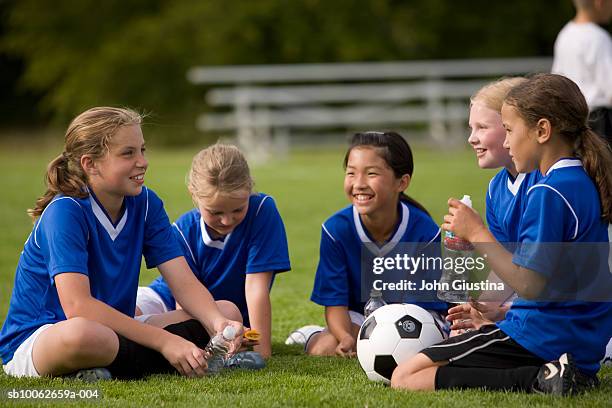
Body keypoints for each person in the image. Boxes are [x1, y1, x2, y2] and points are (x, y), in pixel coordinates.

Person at [391, 74, 612, 395]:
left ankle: (539, 380)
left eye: (508, 130)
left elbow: (530, 284)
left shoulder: (548, 192)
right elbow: (561, 281)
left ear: (542, 131)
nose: (507, 142)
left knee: (406, 376)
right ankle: (555, 372)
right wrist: (497, 310)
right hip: (574, 336)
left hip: (543, 336)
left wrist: (477, 232)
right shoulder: (579, 179)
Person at [0, 107, 243, 380]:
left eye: (143, 150)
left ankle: (108, 367)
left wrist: (218, 324)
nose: (142, 161)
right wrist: (164, 341)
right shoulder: (65, 211)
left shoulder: (146, 203)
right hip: (46, 336)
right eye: (128, 153)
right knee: (85, 335)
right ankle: (162, 358)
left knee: (225, 310)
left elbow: (183, 282)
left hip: (115, 330)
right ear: (89, 163)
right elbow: (78, 307)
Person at [287, 131, 447, 357]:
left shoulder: (424, 231)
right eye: (351, 173)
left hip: (414, 315)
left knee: (414, 349)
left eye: (371, 173)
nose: (359, 184)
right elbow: (336, 304)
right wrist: (344, 337)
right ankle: (312, 334)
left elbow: (417, 309)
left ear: (402, 182)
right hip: (360, 316)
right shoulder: (335, 230)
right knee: (324, 348)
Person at [136, 144, 290, 359]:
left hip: (224, 316)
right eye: (215, 212)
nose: (227, 220)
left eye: (237, 209)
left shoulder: (262, 211)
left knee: (225, 315)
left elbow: (256, 288)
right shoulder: (183, 230)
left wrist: (261, 352)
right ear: (194, 195)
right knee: (121, 315)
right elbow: (184, 301)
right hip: (166, 301)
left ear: (249, 188)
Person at [448, 77, 540, 335]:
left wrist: (476, 232)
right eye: (470, 128)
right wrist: (480, 310)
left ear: (513, 127)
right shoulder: (496, 188)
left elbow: (543, 279)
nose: (471, 139)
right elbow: (505, 266)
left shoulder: (545, 182)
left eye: (482, 128)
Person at [552, 0, 612, 146]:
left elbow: (556, 80)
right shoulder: (598, 38)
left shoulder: (565, 35)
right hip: (599, 122)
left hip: (573, 120)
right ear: (600, 3)